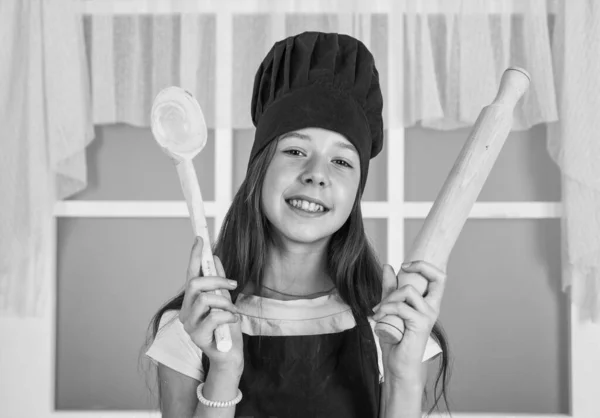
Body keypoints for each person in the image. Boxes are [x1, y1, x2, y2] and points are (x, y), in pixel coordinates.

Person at [144, 31, 451, 418]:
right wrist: (223, 369)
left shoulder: (391, 326)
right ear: (260, 169)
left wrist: (403, 372)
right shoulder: (191, 328)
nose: (316, 175)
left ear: (356, 192)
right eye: (294, 151)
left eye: (341, 161)